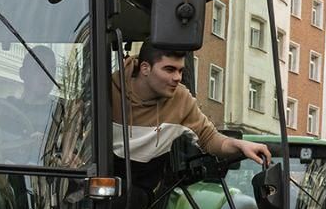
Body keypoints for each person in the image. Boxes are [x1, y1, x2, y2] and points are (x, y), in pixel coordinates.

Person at [112, 42, 271, 167]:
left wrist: (239, 144)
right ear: (145, 68)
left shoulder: (181, 98)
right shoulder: (108, 90)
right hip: (104, 182)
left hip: (145, 191)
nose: (177, 77)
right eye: (170, 69)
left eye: (180, 71)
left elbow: (209, 139)